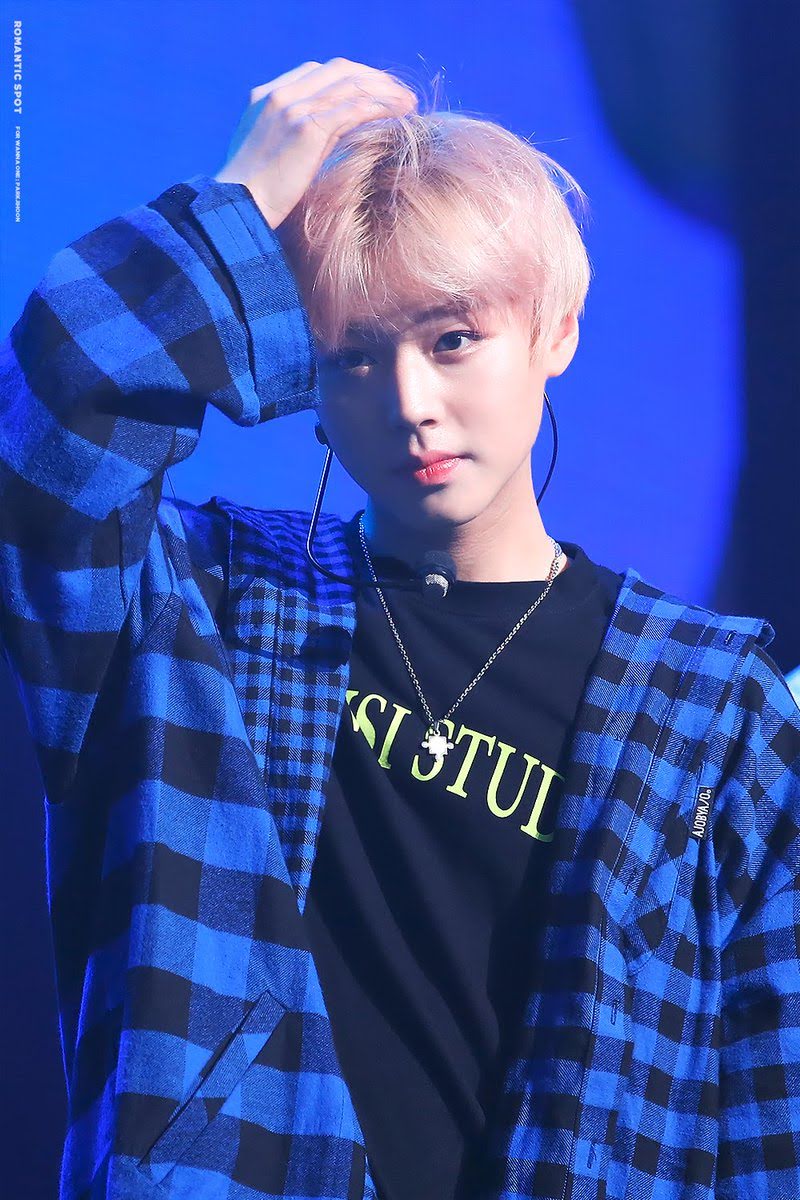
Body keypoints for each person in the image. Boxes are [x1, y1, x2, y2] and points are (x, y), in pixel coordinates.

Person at [1, 56, 799, 1200]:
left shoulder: (709, 712)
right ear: (307, 382)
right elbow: (44, 449)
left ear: (555, 329)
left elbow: (770, 1120)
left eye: (452, 338)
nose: (410, 402)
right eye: (355, 357)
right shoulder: (207, 608)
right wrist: (237, 201)